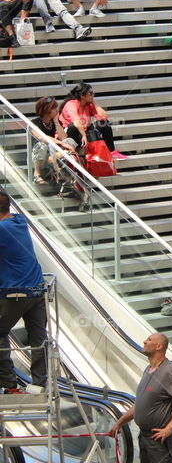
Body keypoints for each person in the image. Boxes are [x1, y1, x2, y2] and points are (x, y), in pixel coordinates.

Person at [107, 333, 172, 462]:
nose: (144, 341)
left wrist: (169, 429)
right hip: (144, 438)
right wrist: (119, 423)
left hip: (160, 442)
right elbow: (140, 404)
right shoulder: (148, 369)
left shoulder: (168, 371)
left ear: (159, 346)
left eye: (149, 340)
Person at [0, 192, 49, 394]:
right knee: (39, 338)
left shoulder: (2, 229)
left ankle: (9, 384)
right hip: (37, 289)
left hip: (16, 293)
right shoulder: (19, 221)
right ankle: (40, 383)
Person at [59, 82, 124, 159]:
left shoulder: (88, 105)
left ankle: (111, 151)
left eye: (93, 93)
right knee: (73, 127)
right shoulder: (71, 104)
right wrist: (83, 135)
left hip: (84, 132)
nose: (93, 95)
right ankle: (78, 151)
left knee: (104, 123)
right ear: (82, 95)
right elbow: (76, 121)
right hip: (70, 134)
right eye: (90, 93)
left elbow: (103, 117)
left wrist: (94, 102)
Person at [31, 96, 77, 188]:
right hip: (39, 154)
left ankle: (61, 172)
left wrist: (56, 121)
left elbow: (64, 138)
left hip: (52, 151)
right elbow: (42, 137)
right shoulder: (34, 123)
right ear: (47, 110)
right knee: (41, 145)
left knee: (69, 140)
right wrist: (61, 143)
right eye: (54, 108)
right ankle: (37, 175)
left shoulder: (54, 121)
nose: (57, 110)